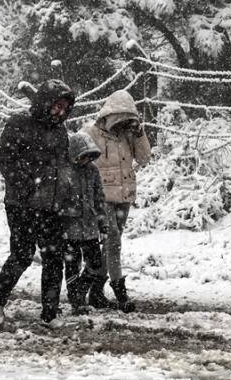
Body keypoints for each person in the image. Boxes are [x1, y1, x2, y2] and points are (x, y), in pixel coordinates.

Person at [0, 79, 75, 328]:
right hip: (21, 204)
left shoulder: (60, 131)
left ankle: (50, 313)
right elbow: (3, 159)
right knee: (22, 255)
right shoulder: (19, 124)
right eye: (57, 106)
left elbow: (63, 165)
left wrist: (66, 193)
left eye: (64, 109)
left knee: (53, 257)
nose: (60, 112)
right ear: (45, 102)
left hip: (51, 204)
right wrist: (26, 186)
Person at [82, 90, 152, 312]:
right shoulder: (90, 133)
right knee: (113, 243)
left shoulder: (129, 136)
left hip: (124, 197)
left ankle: (92, 289)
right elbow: (78, 160)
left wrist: (139, 134)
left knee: (110, 246)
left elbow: (144, 158)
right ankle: (120, 293)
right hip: (101, 198)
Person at [59, 131, 107, 314]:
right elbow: (59, 201)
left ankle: (80, 289)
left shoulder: (93, 171)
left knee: (95, 262)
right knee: (72, 264)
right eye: (82, 156)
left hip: (90, 226)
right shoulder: (65, 172)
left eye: (89, 156)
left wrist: (103, 224)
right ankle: (76, 300)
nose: (86, 160)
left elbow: (99, 198)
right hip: (69, 228)